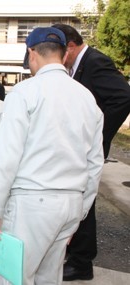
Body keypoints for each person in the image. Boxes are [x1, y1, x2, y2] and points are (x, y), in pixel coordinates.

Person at [0, 27, 104, 284]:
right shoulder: (87, 98)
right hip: (70, 204)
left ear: (31, 53)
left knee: (14, 277)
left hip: (32, 204)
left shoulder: (25, 92)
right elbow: (95, 165)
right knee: (49, 276)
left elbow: (6, 156)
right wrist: (79, 213)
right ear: (63, 54)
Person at [52, 23, 130, 281]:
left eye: (59, 51)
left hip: (86, 151)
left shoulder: (96, 62)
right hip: (75, 150)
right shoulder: (77, 67)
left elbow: (123, 98)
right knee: (73, 201)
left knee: (82, 204)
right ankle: (73, 253)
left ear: (71, 47)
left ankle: (81, 263)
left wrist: (96, 135)